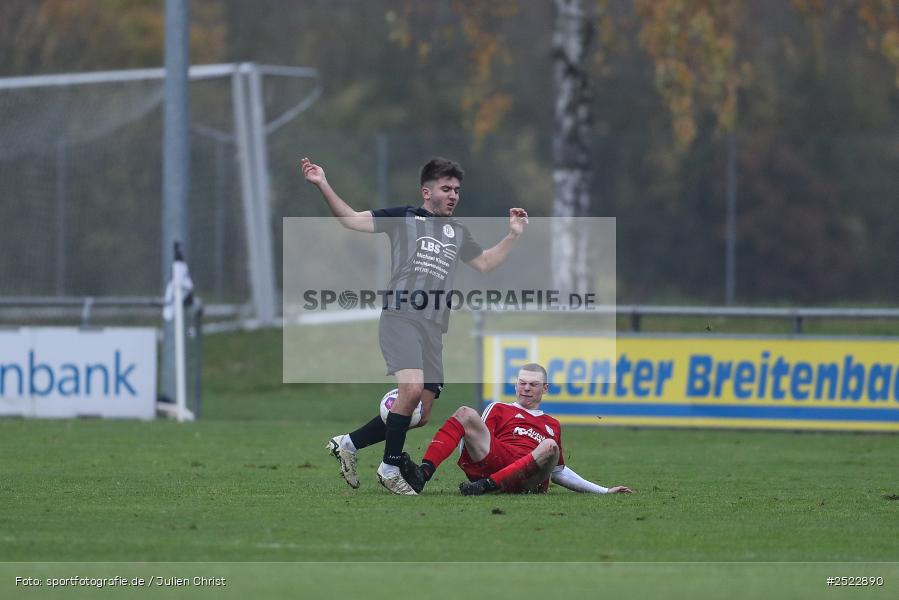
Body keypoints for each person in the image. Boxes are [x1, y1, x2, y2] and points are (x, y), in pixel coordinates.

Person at [302, 155, 529, 495]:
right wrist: (323, 183)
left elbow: (484, 263)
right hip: (401, 316)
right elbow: (350, 220)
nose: (453, 195)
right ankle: (390, 467)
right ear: (427, 191)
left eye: (457, 190)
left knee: (419, 414)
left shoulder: (458, 232)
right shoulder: (402, 218)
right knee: (409, 391)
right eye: (446, 188)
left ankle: (348, 443)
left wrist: (513, 235)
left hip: (434, 328)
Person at [401, 363, 634, 496]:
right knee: (464, 412)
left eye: (533, 384)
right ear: (515, 385)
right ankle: (423, 474)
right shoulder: (499, 408)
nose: (526, 388)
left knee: (550, 446)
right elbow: (472, 441)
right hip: (494, 461)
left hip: (528, 479)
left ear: (545, 388)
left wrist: (603, 491)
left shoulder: (552, 424)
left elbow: (559, 471)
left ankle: (486, 487)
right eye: (522, 383)